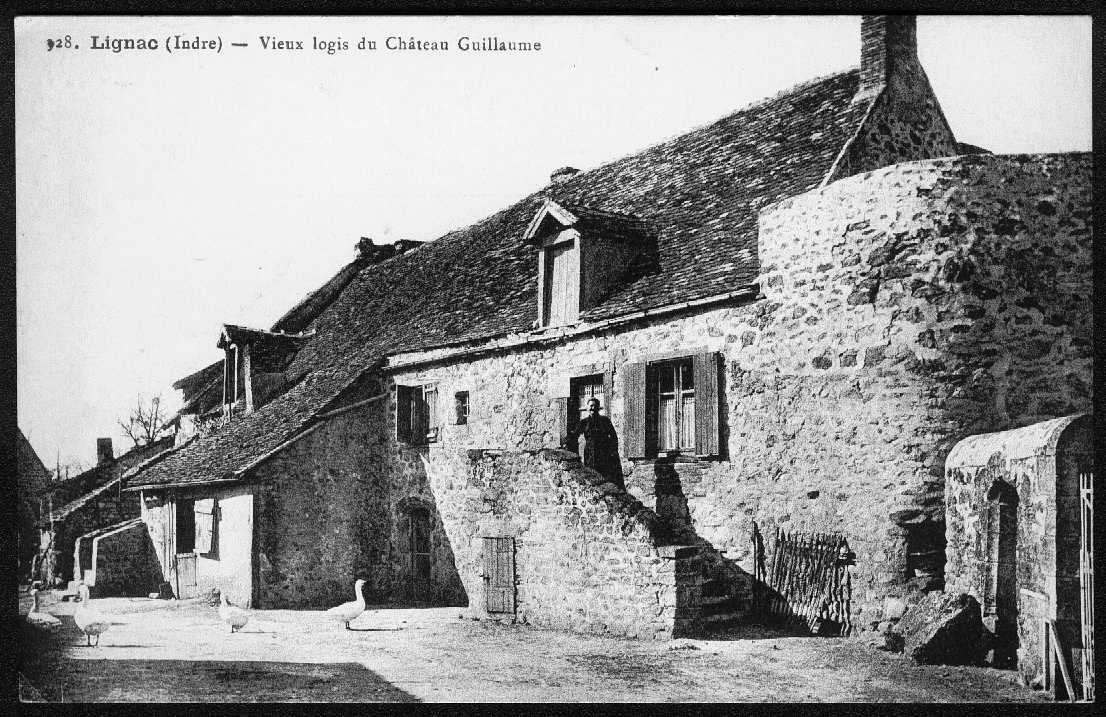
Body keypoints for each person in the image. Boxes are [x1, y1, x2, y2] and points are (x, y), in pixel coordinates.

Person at [565, 398, 625, 490]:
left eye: (595, 406)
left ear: (598, 408)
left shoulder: (605, 420)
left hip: (604, 455)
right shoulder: (584, 422)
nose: (593, 408)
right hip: (590, 455)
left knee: (605, 478)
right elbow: (573, 436)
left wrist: (612, 452)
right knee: (592, 478)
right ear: (587, 408)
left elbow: (614, 437)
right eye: (591, 406)